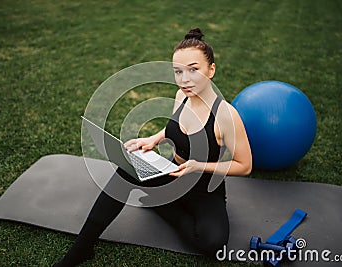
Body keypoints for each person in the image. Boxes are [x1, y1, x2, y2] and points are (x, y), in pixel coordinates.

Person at [53, 28, 252, 267]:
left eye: (193, 69)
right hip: (171, 174)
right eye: (178, 72)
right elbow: (174, 128)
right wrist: (154, 139)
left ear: (211, 70)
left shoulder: (226, 115)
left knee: (213, 243)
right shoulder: (182, 96)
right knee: (126, 169)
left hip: (204, 189)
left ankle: (161, 205)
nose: (185, 79)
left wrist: (198, 165)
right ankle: (81, 248)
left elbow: (245, 165)